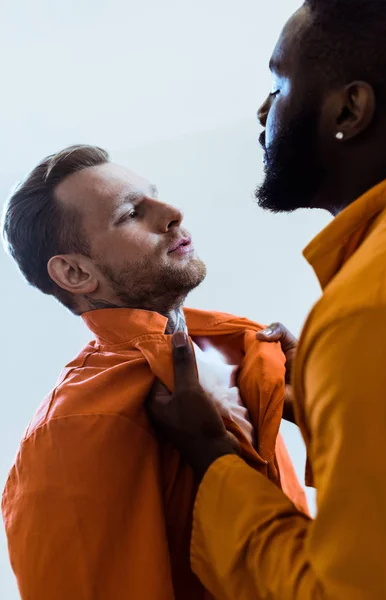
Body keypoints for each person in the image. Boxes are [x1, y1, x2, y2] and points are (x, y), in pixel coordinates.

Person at [146, 1, 386, 598]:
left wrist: (211, 456)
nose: (264, 110)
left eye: (279, 83)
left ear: (350, 109)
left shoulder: (368, 311)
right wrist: (320, 401)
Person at [1, 145, 307, 600]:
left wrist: (317, 395)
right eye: (130, 213)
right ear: (74, 272)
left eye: (156, 197)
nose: (172, 213)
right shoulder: (73, 428)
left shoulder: (243, 356)